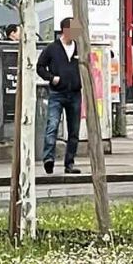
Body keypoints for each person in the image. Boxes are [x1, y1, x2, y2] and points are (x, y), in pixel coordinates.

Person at [37, 17, 82, 176]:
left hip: (75, 93)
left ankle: (69, 163)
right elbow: (40, 67)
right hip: (57, 93)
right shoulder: (52, 48)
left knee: (74, 130)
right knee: (52, 125)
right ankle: (48, 159)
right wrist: (51, 77)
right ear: (65, 30)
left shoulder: (79, 48)